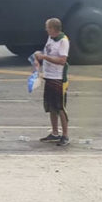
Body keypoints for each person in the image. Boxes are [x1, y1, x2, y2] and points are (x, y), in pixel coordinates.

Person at [35, 18, 70, 147]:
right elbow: (47, 52)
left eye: (48, 27)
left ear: (53, 29)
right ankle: (55, 132)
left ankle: (65, 135)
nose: (46, 29)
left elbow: (62, 60)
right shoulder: (51, 38)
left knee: (60, 107)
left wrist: (45, 57)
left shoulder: (63, 41)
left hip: (58, 78)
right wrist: (39, 56)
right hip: (49, 76)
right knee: (51, 106)